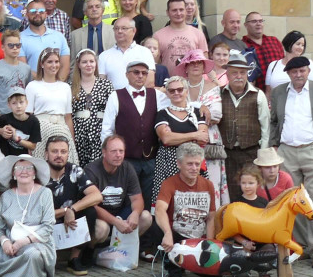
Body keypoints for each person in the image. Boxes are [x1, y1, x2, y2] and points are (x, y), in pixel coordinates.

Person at [268, 55, 313, 268]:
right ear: (288, 74)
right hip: (287, 151)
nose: (298, 75)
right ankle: (301, 246)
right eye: (294, 72)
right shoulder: (281, 92)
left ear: (308, 71)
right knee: (292, 201)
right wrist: (274, 145)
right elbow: (274, 121)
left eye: (302, 71)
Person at [100, 61, 167, 214]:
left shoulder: (156, 95)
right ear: (127, 74)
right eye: (136, 72)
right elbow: (107, 129)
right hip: (126, 158)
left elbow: (178, 105)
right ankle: (123, 234)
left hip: (150, 158)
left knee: (149, 199)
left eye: (144, 73)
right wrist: (110, 155)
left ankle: (146, 235)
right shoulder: (116, 96)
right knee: (125, 200)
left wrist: (200, 107)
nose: (140, 76)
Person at [155, 142, 219, 277]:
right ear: (179, 164)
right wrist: (167, 233)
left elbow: (211, 217)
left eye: (197, 164)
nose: (194, 168)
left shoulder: (208, 184)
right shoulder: (169, 183)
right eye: (189, 164)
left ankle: (188, 264)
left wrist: (209, 244)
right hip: (177, 235)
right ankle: (173, 265)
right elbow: (160, 210)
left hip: (198, 238)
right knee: (158, 226)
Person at [0, 154, 55, 277]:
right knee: (20, 254)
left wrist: (24, 241)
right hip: (11, 246)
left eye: (28, 168)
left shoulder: (45, 193)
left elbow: (48, 227)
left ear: (34, 173)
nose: (24, 171)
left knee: (32, 254)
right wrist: (5, 242)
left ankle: (37, 276)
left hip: (38, 242)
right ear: (13, 173)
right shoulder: (6, 197)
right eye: (19, 167)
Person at [44, 135, 101, 274]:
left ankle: (74, 258)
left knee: (91, 212)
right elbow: (37, 212)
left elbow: (97, 195)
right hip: (45, 221)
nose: (59, 155)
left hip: (69, 221)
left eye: (63, 152)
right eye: (54, 151)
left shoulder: (74, 170)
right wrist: (65, 211)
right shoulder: (38, 173)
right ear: (46, 154)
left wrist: (72, 209)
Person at [85, 135, 152, 246]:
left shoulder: (127, 168)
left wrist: (135, 213)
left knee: (146, 217)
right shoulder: (91, 170)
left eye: (121, 151)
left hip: (120, 213)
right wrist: (115, 222)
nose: (118, 155)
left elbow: (137, 198)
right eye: (114, 151)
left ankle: (121, 247)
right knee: (101, 229)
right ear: (104, 152)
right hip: (100, 216)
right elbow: (92, 206)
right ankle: (91, 250)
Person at [153, 76, 210, 203]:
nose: (176, 93)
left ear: (186, 91)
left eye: (179, 89)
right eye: (172, 91)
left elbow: (203, 138)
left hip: (194, 163)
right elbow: (166, 138)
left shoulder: (197, 112)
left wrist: (176, 136)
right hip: (169, 163)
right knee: (170, 201)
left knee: (195, 202)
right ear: (167, 93)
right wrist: (194, 135)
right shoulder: (162, 113)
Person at [219, 52, 269, 196]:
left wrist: (262, 156)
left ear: (247, 74)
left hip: (251, 152)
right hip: (227, 153)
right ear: (227, 74)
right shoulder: (219, 93)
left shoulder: (258, 94)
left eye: (242, 72)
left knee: (251, 192)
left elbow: (265, 128)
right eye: (234, 73)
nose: (239, 76)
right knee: (231, 192)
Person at [26, 48, 75, 163]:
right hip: (40, 132)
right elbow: (28, 117)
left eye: (56, 62)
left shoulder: (65, 87)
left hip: (62, 130)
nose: (54, 65)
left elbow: (68, 118)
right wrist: (29, 143)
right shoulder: (32, 86)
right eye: (50, 62)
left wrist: (71, 142)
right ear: (42, 64)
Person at [70, 48, 113, 167]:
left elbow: (112, 111)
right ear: (78, 64)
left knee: (98, 168)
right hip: (79, 134)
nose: (88, 65)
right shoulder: (71, 87)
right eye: (84, 62)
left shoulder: (106, 85)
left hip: (99, 132)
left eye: (91, 61)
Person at [154, 0, 209, 76]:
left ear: (186, 11)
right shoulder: (158, 36)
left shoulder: (198, 33)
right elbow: (155, 64)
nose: (178, 13)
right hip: (169, 84)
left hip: (193, 83)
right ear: (167, 12)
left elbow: (204, 62)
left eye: (181, 10)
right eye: (174, 10)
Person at [99, 16, 155, 90]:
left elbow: (150, 81)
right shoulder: (104, 56)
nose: (119, 31)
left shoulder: (145, 52)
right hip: (114, 99)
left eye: (124, 28)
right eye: (116, 28)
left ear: (134, 31)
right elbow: (102, 84)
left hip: (140, 99)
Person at [264, 30, 313, 101]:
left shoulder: (309, 64)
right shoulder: (273, 65)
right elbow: (268, 92)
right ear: (289, 43)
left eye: (302, 45)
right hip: (277, 107)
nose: (301, 47)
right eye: (298, 44)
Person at [0, 28, 30, 116]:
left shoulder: (26, 68)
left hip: (20, 114)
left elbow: (28, 93)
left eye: (18, 45)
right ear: (2, 47)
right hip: (0, 114)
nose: (15, 48)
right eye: (10, 45)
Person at [20, 1, 70, 79]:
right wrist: (43, 84)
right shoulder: (20, 38)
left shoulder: (59, 36)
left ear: (46, 14)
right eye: (33, 11)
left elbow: (65, 66)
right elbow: (23, 68)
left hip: (57, 87)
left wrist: (57, 84)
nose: (37, 14)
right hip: (32, 87)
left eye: (41, 11)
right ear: (26, 15)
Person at [0, 87, 41, 157]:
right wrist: (1, 131)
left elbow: (33, 146)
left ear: (27, 103)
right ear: (9, 105)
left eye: (21, 102)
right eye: (14, 103)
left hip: (23, 158)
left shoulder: (33, 121)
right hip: (4, 157)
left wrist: (17, 139)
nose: (18, 106)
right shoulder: (4, 119)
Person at [242, 11, 283, 90]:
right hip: (256, 94)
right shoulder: (242, 46)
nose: (258, 24)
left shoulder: (274, 41)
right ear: (246, 25)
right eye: (254, 21)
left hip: (279, 92)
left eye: (260, 21)